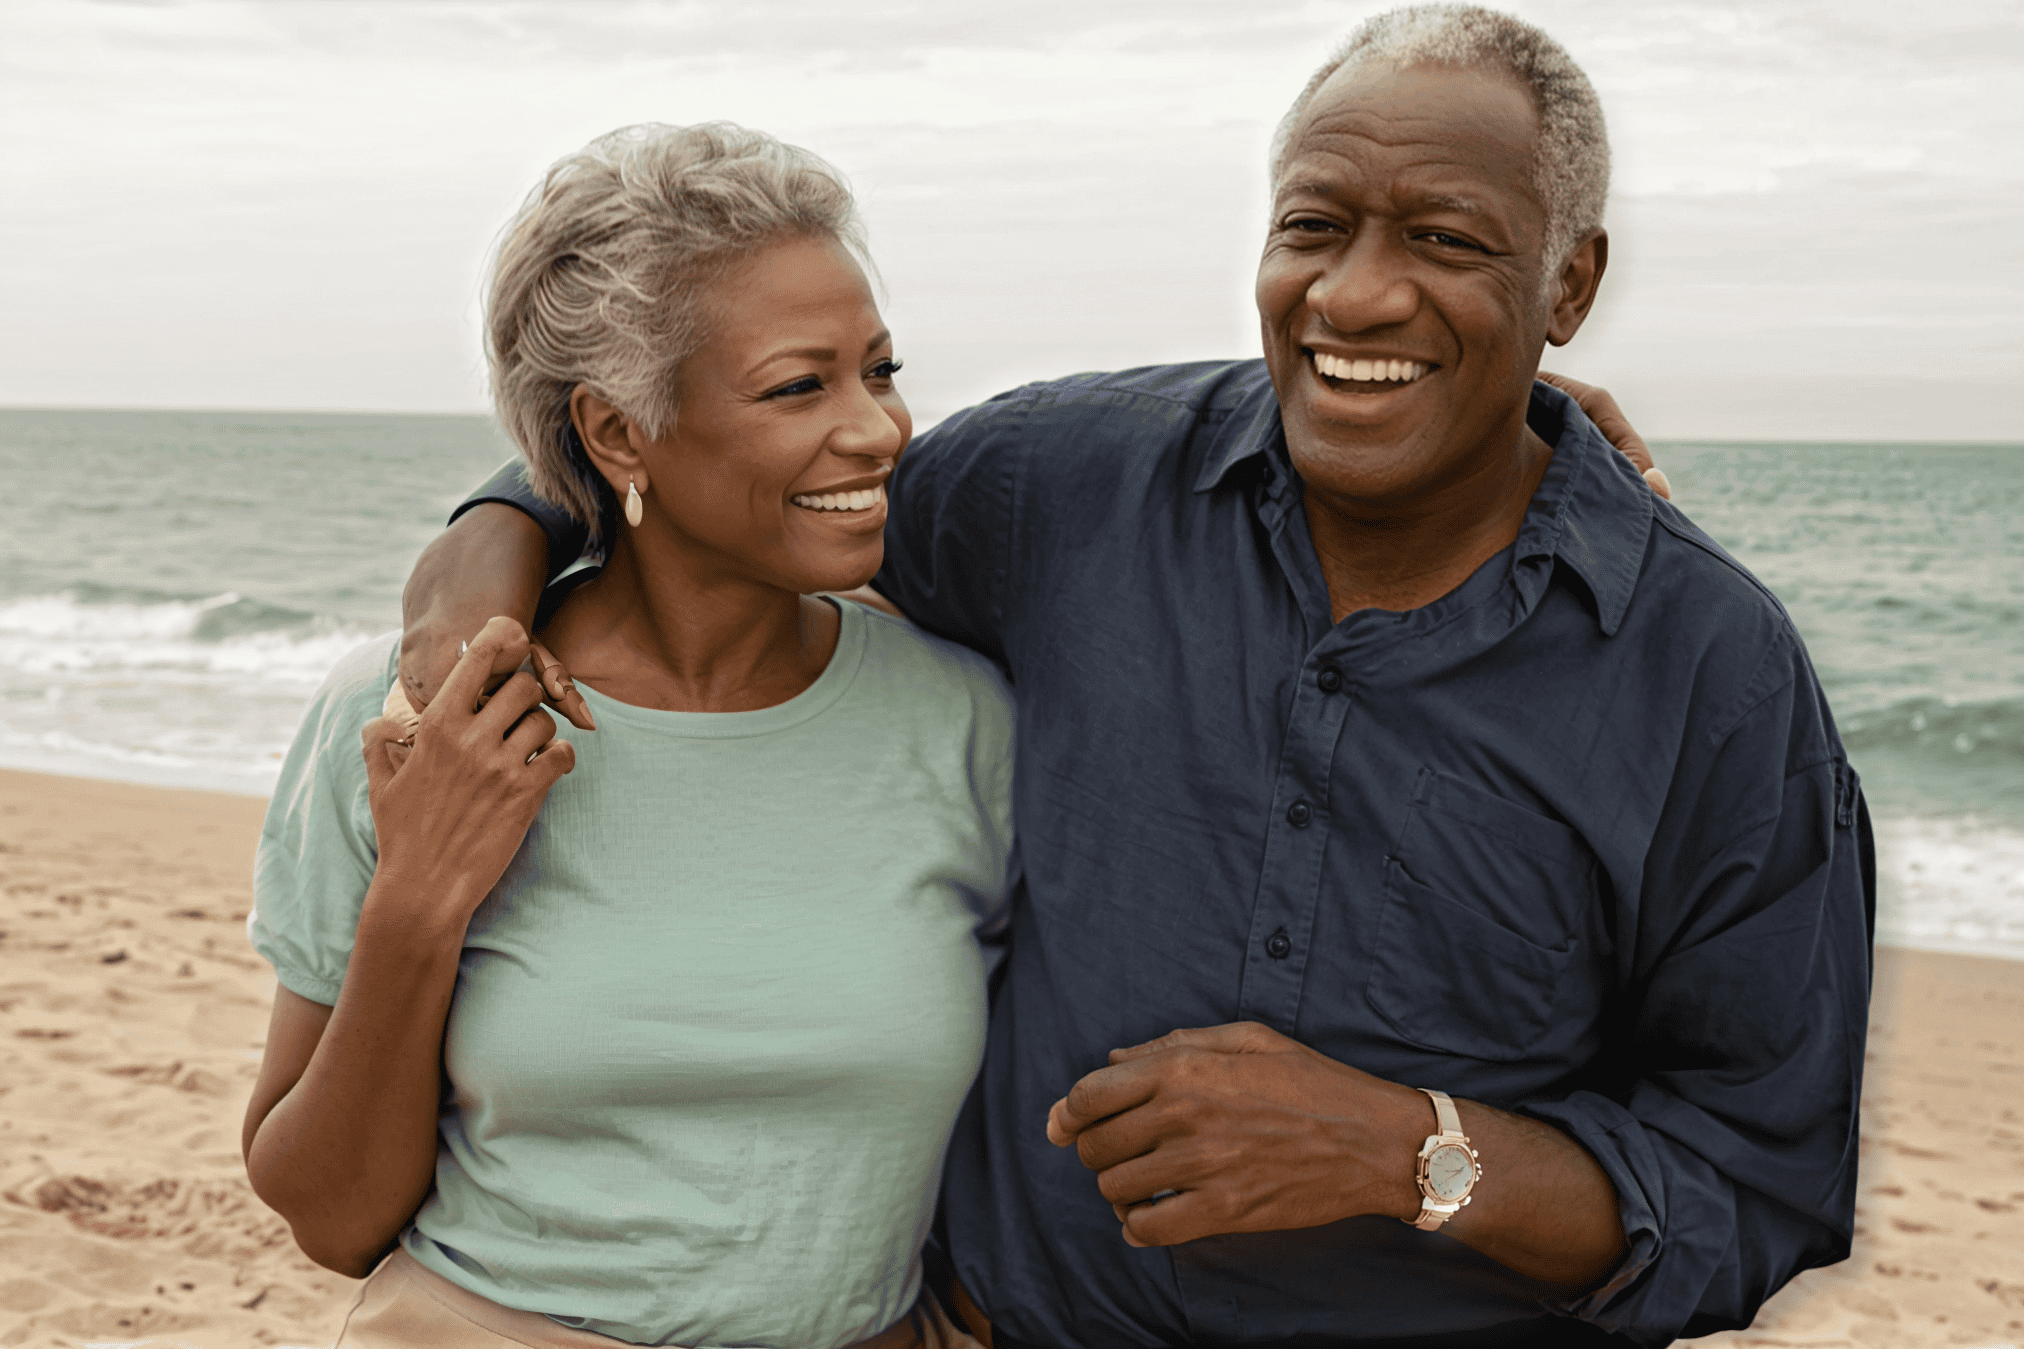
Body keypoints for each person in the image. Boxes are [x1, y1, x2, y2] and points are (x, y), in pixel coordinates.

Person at [401, 7, 1874, 1347]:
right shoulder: (1071, 484)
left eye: (1446, 241)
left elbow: (1755, 1186)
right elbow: (741, 481)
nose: (1357, 296)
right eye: (1316, 225)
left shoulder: (1713, 677)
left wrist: (1409, 1152)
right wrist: (495, 541)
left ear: (1571, 280)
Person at [241, 123, 1011, 1348]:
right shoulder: (402, 717)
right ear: (614, 433)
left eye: (880, 367)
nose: (877, 430)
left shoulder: (967, 719)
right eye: (798, 385)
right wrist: (421, 896)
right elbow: (331, 1217)